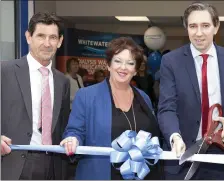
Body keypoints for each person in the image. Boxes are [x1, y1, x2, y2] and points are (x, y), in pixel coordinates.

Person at [157, 2, 224, 180]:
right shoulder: (171, 61)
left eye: (205, 26)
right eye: (193, 26)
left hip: (221, 155)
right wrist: (174, 137)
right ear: (186, 29)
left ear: (216, 27)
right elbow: (166, 108)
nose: (199, 33)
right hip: (181, 154)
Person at [60, 37, 163, 180]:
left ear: (135, 69)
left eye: (130, 63)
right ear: (108, 65)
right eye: (118, 61)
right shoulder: (86, 96)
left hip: (141, 175)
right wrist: (72, 139)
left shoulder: (143, 98)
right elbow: (75, 130)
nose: (123, 67)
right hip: (100, 174)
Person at [0, 12, 70, 179]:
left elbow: (63, 126)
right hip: (12, 164)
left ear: (59, 41)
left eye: (52, 37)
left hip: (52, 166)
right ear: (28, 37)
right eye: (40, 36)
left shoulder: (62, 82)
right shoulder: (5, 72)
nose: (47, 43)